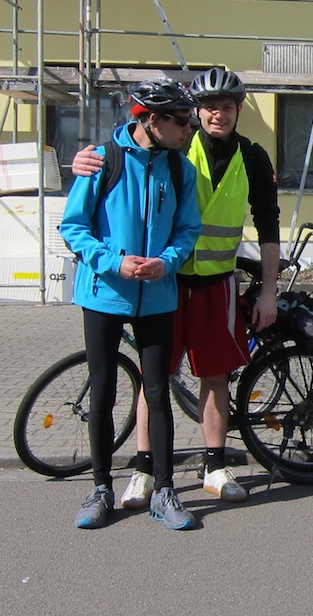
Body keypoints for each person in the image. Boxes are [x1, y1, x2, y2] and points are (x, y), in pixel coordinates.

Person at [72, 68, 281, 506]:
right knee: (157, 379)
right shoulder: (178, 148)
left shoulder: (253, 156)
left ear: (239, 110)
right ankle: (144, 470)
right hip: (164, 286)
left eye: (226, 107)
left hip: (216, 284)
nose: (215, 115)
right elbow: (132, 146)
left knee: (214, 376)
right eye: (207, 108)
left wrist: (267, 291)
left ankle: (215, 466)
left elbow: (268, 227)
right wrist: (85, 159)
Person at [60, 78, 203, 530]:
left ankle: (164, 491)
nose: (189, 130)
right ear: (153, 120)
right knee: (102, 391)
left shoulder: (181, 170)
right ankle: (101, 487)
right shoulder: (103, 161)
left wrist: (167, 261)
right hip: (104, 292)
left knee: (157, 393)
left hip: (158, 296)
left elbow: (188, 229)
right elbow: (74, 226)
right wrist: (115, 263)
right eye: (182, 122)